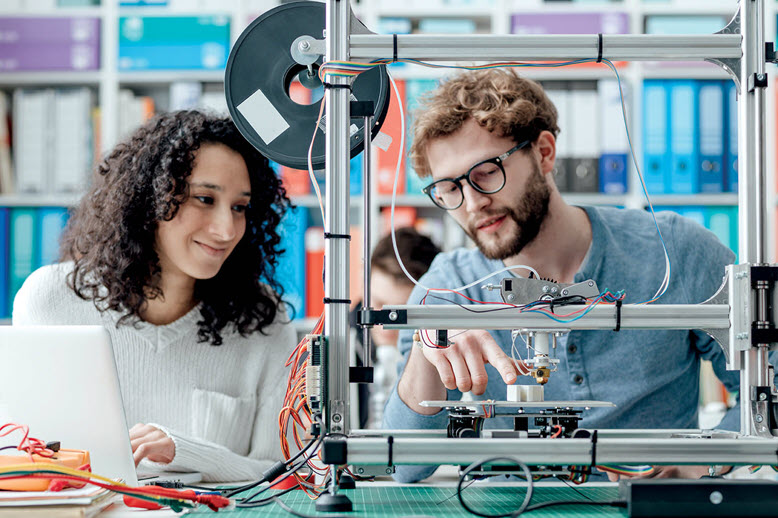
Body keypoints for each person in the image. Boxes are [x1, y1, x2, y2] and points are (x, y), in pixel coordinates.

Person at [381, 69, 751, 483]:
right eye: (449, 188)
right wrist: (429, 346)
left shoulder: (675, 252)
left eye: (485, 172)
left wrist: (708, 457)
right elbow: (405, 467)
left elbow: (766, 389)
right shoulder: (446, 290)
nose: (471, 204)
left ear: (544, 153)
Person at [12, 110, 296, 482]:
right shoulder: (50, 300)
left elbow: (282, 473)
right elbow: (28, 457)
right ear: (151, 199)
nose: (227, 229)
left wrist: (183, 451)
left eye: (239, 207)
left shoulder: (264, 321)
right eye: (205, 199)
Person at [358, 227, 441, 428]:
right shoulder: (336, 339)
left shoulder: (445, 344)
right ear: (364, 286)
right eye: (378, 305)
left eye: (400, 315)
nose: (385, 325)